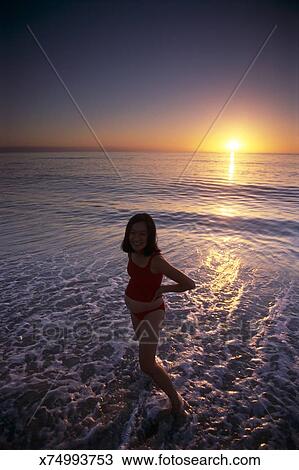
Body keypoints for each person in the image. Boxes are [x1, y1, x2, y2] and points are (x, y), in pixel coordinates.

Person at [121, 213, 196, 415]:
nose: (137, 238)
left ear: (150, 236)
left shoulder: (157, 261)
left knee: (145, 365)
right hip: (135, 311)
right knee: (144, 348)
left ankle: (176, 401)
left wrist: (164, 289)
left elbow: (189, 284)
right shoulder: (132, 253)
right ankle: (156, 366)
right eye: (133, 233)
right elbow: (138, 278)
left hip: (152, 312)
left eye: (142, 234)